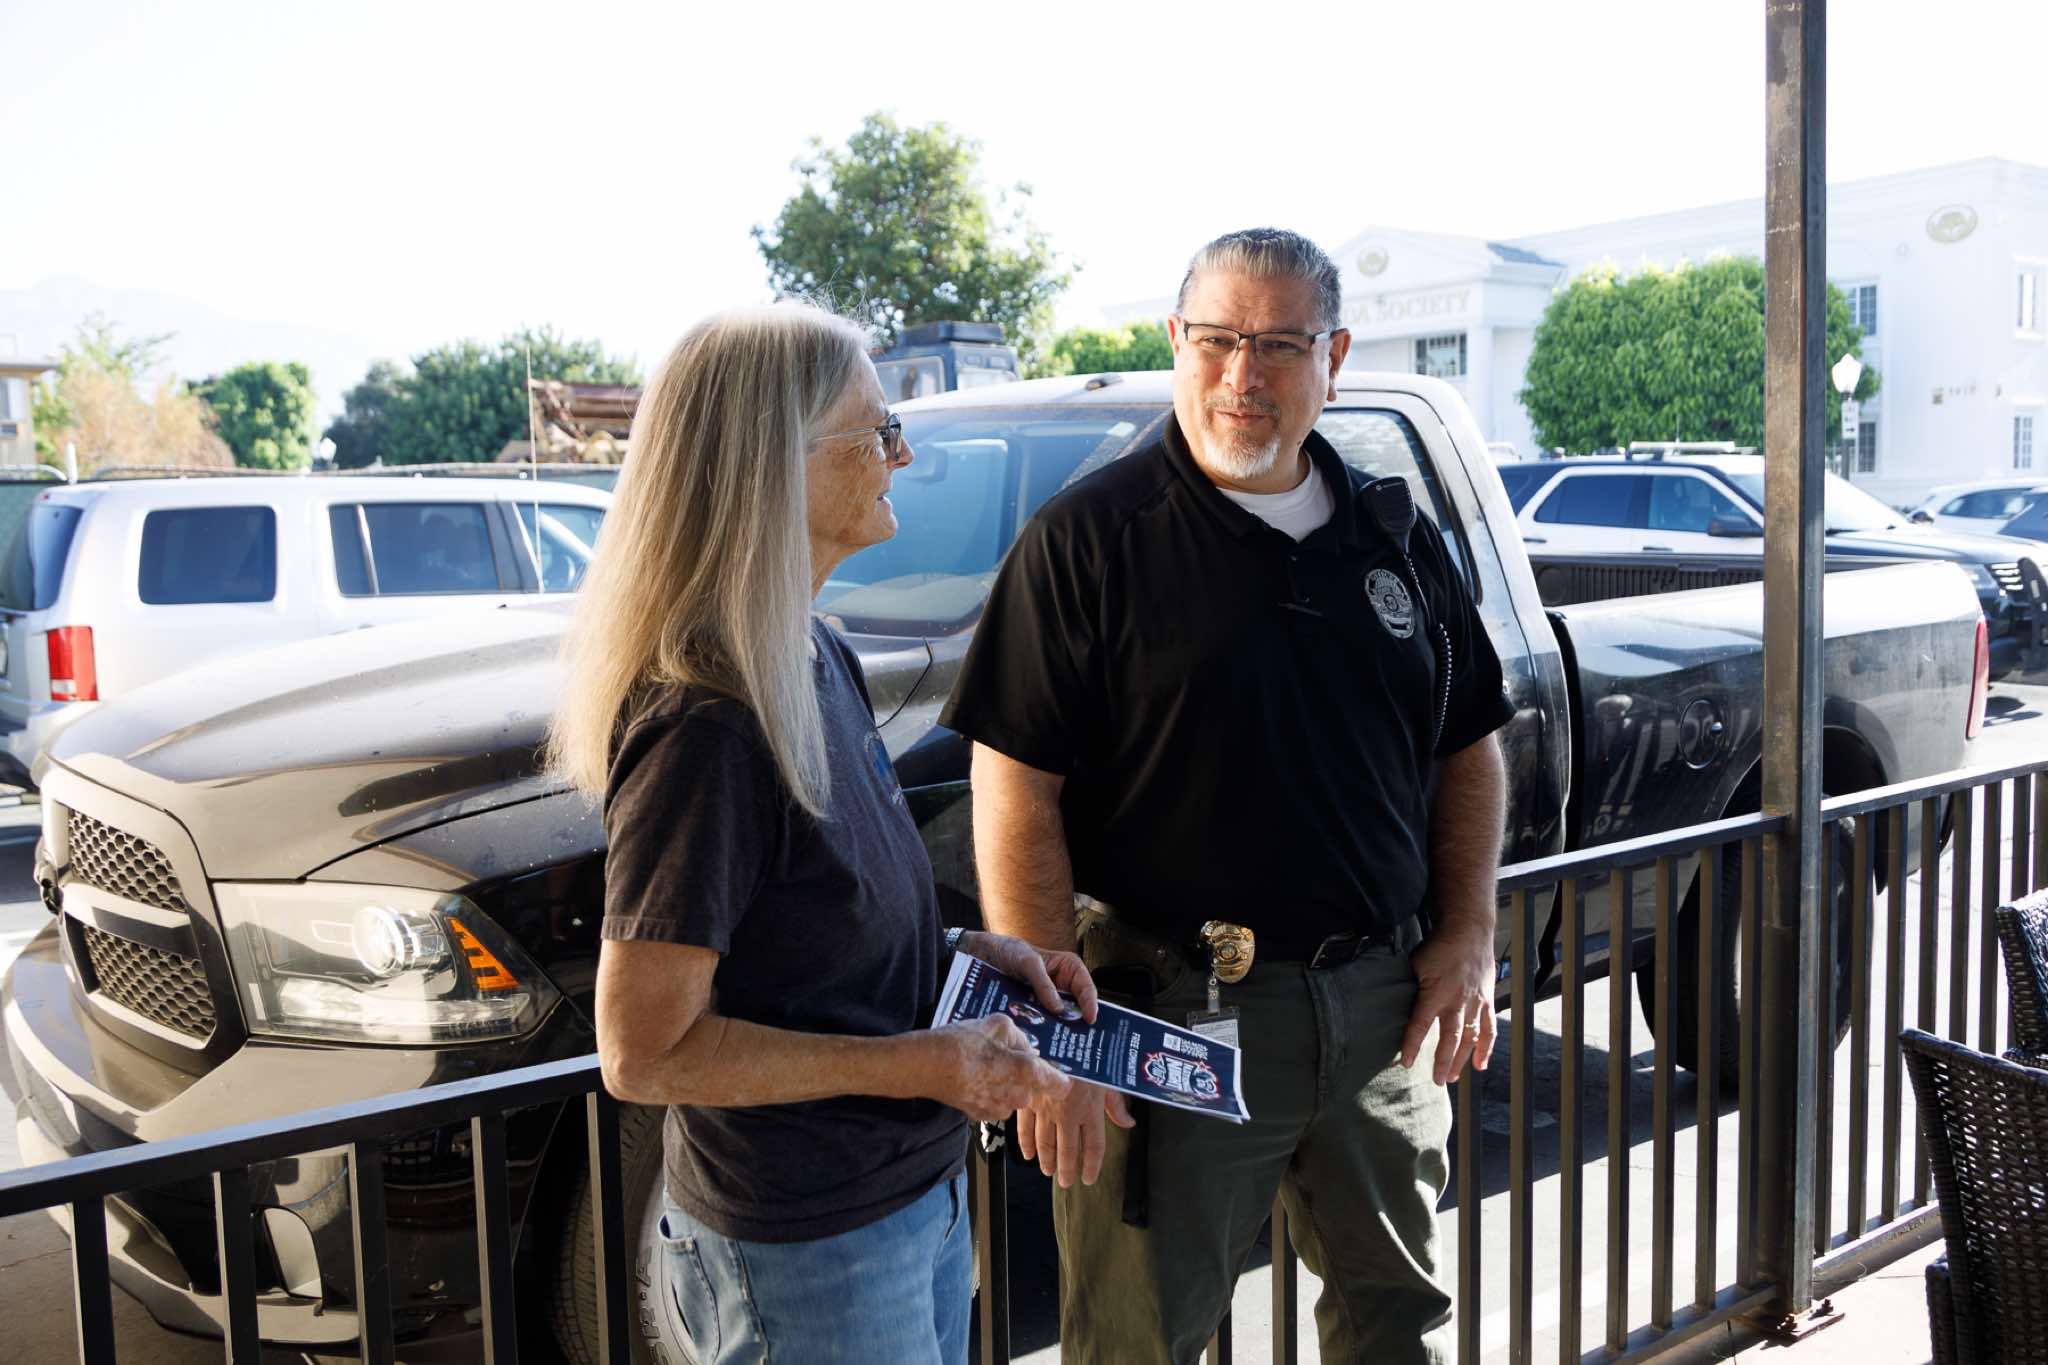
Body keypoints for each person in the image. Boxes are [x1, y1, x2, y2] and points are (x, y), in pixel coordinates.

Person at [939, 228, 1513, 1365]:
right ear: (1176, 342)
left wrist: (1468, 934)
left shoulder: (1391, 536)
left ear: (1332, 357)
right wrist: (1051, 1034)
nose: (1242, 375)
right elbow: (1012, 788)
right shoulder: (1088, 542)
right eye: (1216, 340)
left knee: (1399, 1331)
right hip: (1160, 1014)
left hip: (1382, 1009)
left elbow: (1468, 746)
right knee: (1138, 1343)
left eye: (1279, 345)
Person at [551, 303, 1090, 1365]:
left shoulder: (811, 651)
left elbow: (810, 922)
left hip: (901, 1202)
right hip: (806, 1249)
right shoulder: (707, 721)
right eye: (876, 431)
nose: (902, 455)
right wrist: (925, 1063)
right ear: (772, 464)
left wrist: (968, 952)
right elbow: (643, 1051)